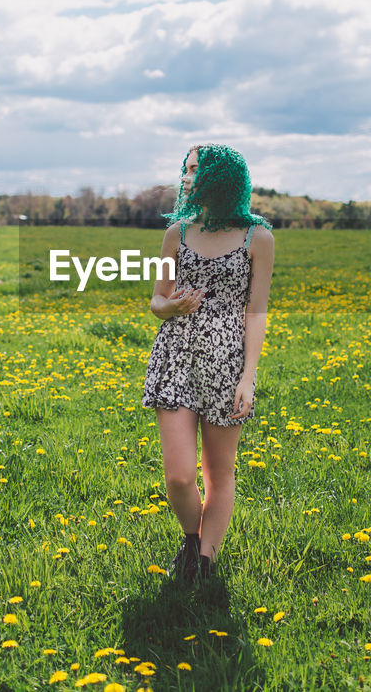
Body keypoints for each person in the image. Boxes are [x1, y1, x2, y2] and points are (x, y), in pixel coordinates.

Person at [142, 144, 275, 584]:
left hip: (227, 363)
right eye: (185, 169)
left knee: (220, 473)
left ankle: (204, 563)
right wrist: (171, 307)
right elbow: (156, 300)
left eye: (194, 170)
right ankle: (190, 537)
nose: (185, 178)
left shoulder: (258, 238)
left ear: (219, 176)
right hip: (176, 357)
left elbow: (256, 310)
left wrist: (248, 378)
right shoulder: (176, 233)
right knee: (180, 476)